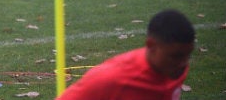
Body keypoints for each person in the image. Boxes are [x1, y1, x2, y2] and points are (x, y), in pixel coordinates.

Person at [56, 9, 195, 100]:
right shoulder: (109, 79)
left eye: (187, 55)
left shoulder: (176, 70)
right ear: (151, 46)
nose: (184, 63)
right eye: (176, 56)